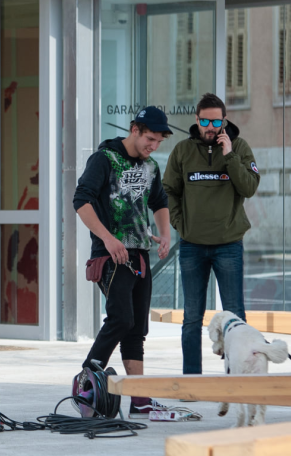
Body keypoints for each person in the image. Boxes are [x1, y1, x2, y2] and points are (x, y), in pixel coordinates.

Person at [74, 106, 172, 419]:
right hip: (112, 255)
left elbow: (159, 202)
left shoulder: (151, 167)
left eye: (158, 142)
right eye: (150, 139)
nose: (153, 146)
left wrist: (164, 234)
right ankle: (86, 380)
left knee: (136, 329)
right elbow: (81, 200)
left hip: (140, 254)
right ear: (134, 130)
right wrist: (107, 238)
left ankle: (139, 399)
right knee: (121, 319)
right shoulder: (104, 159)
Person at [163, 93, 260, 375]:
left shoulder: (239, 147)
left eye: (216, 122)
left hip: (228, 244)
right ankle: (192, 382)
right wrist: (180, 224)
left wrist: (229, 156)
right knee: (192, 318)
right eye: (205, 121)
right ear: (196, 119)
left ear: (224, 121)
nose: (210, 127)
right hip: (192, 245)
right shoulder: (182, 151)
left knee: (235, 316)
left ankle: (237, 378)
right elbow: (169, 190)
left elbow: (249, 187)